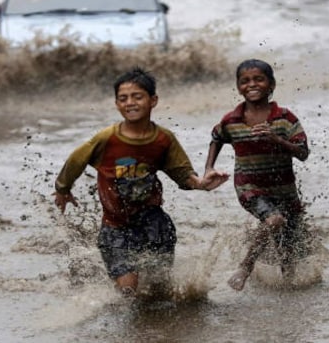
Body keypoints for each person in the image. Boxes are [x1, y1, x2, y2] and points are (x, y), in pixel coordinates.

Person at [54, 67, 229, 297]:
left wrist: (201, 184)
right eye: (123, 98)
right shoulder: (107, 138)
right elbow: (76, 159)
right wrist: (63, 188)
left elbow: (181, 173)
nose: (130, 103)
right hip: (115, 227)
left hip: (154, 224)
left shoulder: (163, 139)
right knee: (127, 291)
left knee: (159, 290)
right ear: (117, 104)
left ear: (153, 100)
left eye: (137, 96)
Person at [204, 59, 310, 291]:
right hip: (248, 186)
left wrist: (277, 140)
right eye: (245, 81)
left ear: (271, 84)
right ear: (238, 86)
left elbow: (303, 153)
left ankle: (289, 302)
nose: (252, 84)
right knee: (274, 220)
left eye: (258, 79)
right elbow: (216, 137)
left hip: (285, 190)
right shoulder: (232, 120)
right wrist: (209, 168)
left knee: (288, 254)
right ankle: (245, 267)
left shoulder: (285, 118)